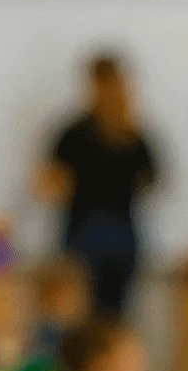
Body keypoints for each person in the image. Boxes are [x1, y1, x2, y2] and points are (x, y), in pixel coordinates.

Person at [34, 53, 162, 320]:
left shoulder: (128, 132)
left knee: (101, 316)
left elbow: (152, 178)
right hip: (93, 232)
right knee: (91, 314)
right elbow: (50, 183)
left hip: (106, 232)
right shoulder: (82, 132)